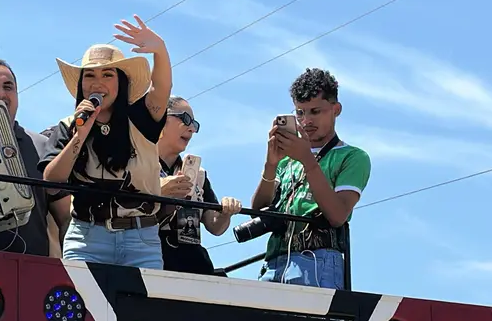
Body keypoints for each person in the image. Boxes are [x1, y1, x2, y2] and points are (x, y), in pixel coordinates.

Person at [39, 15, 172, 269]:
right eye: (89, 76)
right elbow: (51, 182)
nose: (97, 83)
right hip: (86, 238)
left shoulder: (141, 118)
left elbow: (162, 89)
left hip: (140, 238)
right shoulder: (68, 125)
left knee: (139, 309)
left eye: (107, 75)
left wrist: (160, 50)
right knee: (87, 308)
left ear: (121, 82)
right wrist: (80, 133)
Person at [250, 68, 370, 290]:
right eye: (299, 113)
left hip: (318, 260)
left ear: (336, 109)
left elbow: (337, 215)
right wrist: (271, 164)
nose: (306, 121)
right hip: (274, 263)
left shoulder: (352, 157)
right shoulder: (287, 161)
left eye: (315, 111)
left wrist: (308, 161)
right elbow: (258, 208)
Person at [0, 58, 70, 257]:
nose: (1, 93)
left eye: (8, 87)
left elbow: (65, 216)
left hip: (33, 270)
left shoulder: (42, 146)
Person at [157, 96, 242, 275]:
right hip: (153, 261)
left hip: (195, 266)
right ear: (162, 118)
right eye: (185, 119)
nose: (191, 129)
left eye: (195, 124)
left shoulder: (199, 174)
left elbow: (215, 226)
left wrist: (226, 213)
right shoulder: (140, 167)